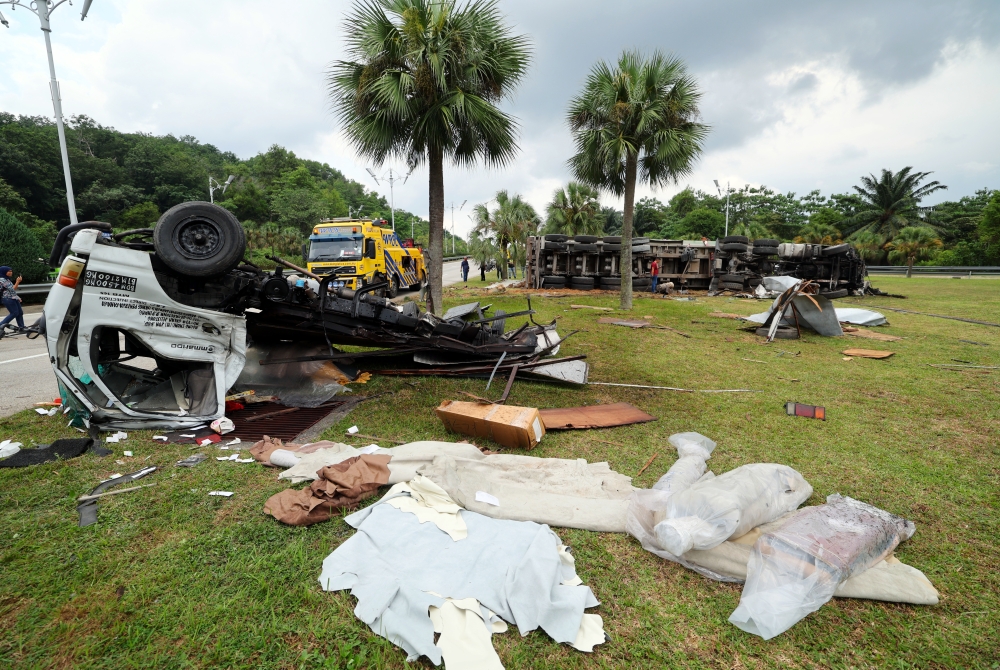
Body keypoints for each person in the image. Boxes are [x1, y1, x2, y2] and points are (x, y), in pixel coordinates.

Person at [0, 266, 25, 334]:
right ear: (4, 272)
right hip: (7, 299)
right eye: (9, 271)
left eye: (11, 271)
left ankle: (21, 327)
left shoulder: (7, 279)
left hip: (13, 298)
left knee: (20, 312)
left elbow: (11, 291)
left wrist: (17, 297)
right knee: (14, 313)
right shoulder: (2, 279)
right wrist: (17, 281)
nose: (11, 272)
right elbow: (13, 288)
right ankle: (0, 326)